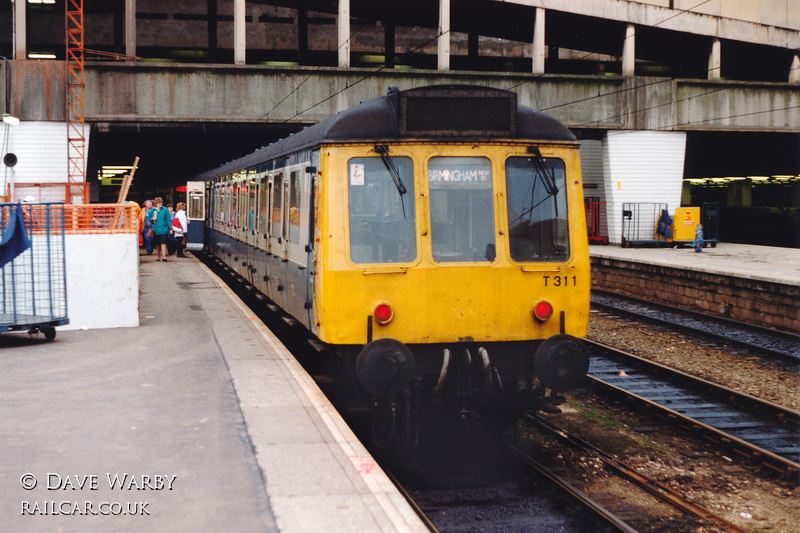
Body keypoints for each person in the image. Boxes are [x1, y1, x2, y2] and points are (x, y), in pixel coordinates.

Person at [149, 197, 172, 261]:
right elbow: (148, 218)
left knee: (163, 243)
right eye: (158, 203)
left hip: (164, 229)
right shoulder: (152, 210)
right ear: (156, 204)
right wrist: (152, 219)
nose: (160, 204)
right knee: (158, 244)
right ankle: (159, 256)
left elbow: (168, 219)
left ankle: (164, 257)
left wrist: (170, 228)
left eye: (161, 202)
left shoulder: (165, 210)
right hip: (156, 229)